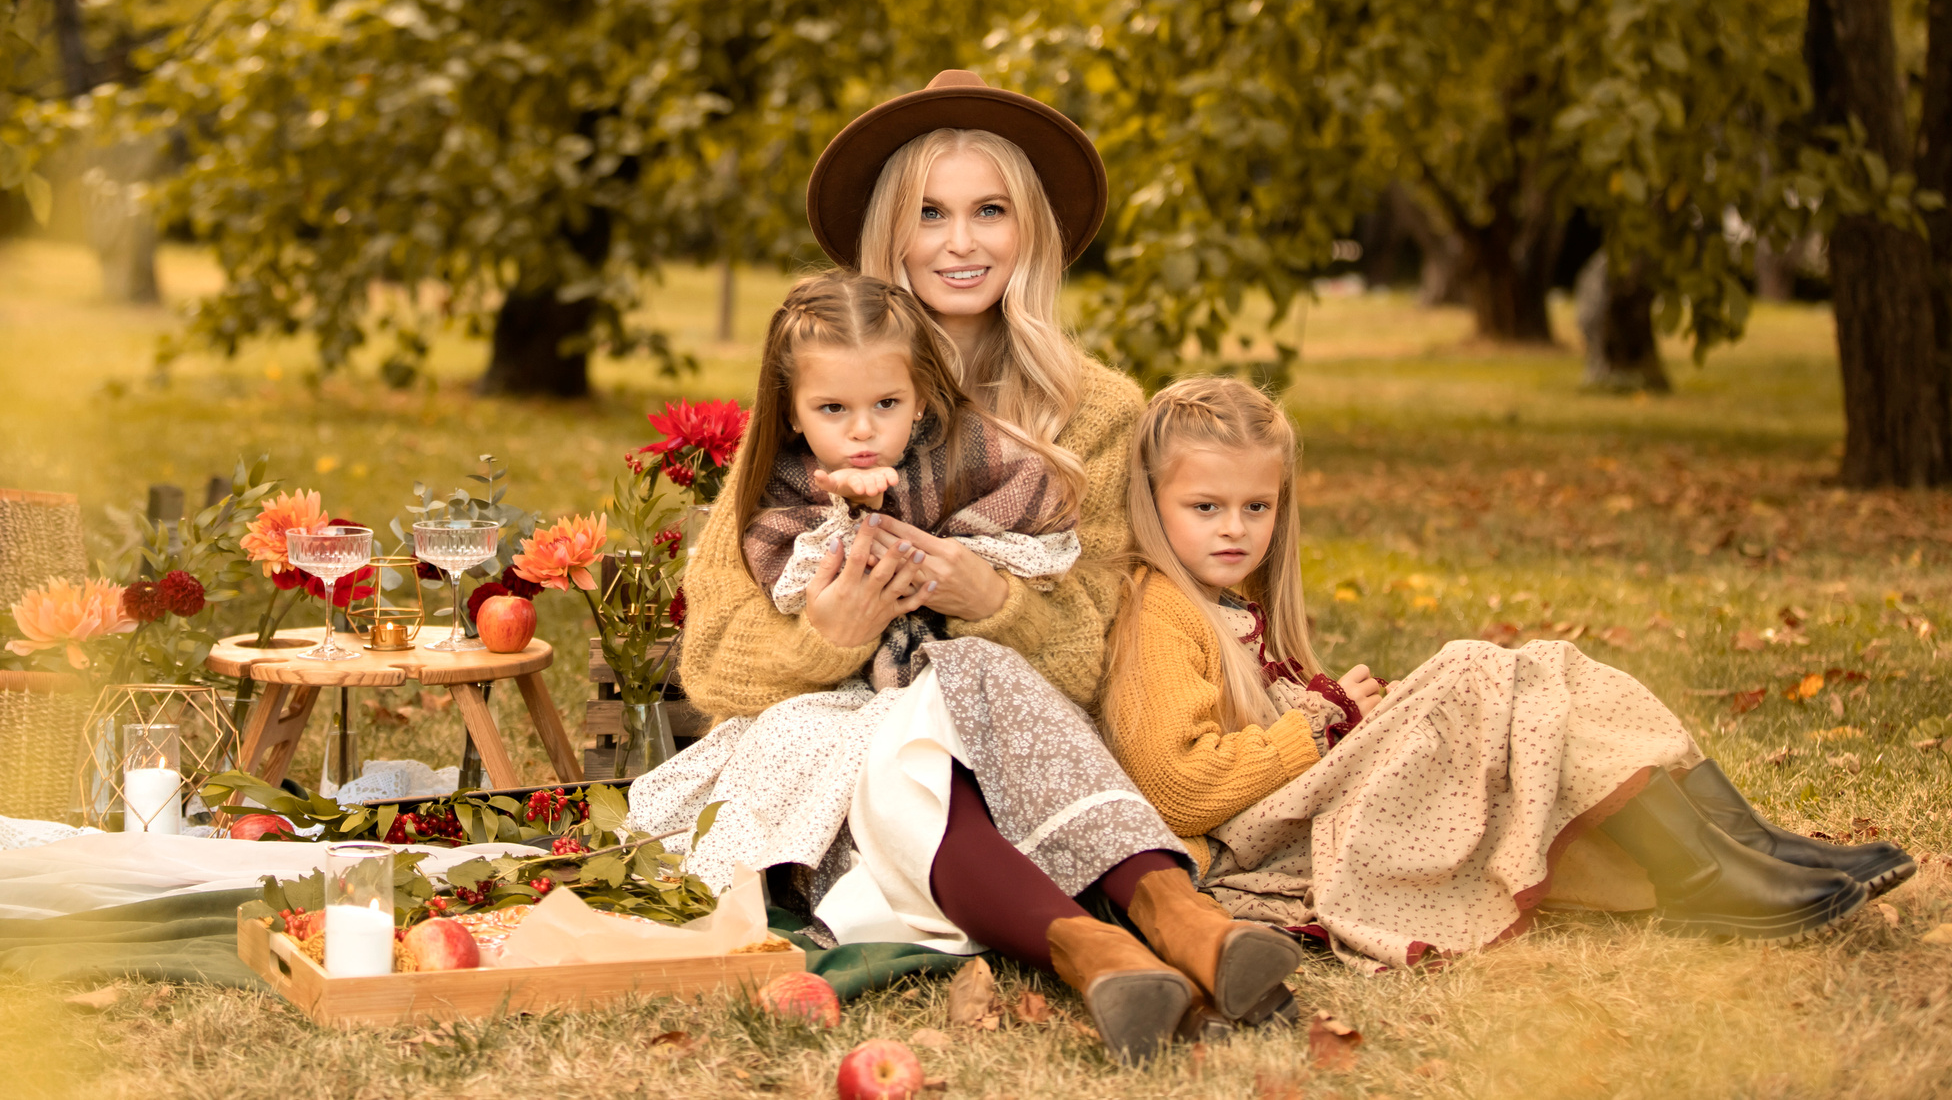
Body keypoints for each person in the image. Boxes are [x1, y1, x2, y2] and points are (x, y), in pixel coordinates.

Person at [641, 72, 1294, 1060]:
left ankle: (1153, 935)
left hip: (1032, 752)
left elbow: (1096, 662)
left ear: (1026, 231)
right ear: (890, 237)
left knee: (973, 683)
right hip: (858, 754)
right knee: (905, 742)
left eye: (988, 210)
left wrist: (996, 601)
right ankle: (1119, 941)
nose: (960, 242)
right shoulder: (822, 402)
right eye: (930, 213)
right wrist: (828, 638)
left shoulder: (1095, 412)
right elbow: (714, 660)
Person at [1103, 375, 1912, 967]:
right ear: (1153, 501)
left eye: (1257, 506)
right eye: (1205, 506)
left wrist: (1338, 716)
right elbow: (1176, 785)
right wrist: (1316, 726)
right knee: (1470, 668)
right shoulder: (1159, 609)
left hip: (1293, 798)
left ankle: (1746, 847)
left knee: (1543, 668)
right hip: (1250, 841)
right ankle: (1705, 875)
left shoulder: (1236, 596)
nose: (1236, 529)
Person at [742, 271, 1081, 693]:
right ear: (790, 411)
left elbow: (1045, 512)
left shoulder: (974, 448)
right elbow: (778, 579)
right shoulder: (781, 478)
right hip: (841, 701)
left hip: (970, 684)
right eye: (832, 408)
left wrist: (990, 592)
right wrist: (849, 513)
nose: (863, 429)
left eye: (887, 403)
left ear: (919, 399)